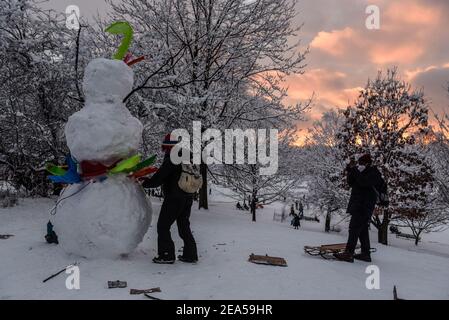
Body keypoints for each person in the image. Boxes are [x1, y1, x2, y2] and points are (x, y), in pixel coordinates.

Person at [140, 134, 198, 264]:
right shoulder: (187, 157)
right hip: (187, 197)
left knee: (163, 226)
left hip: (174, 198)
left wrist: (145, 183)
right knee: (184, 226)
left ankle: (166, 255)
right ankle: (191, 254)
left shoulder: (172, 158)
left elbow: (159, 178)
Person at [334, 154, 383, 263]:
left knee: (354, 228)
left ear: (367, 163)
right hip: (357, 204)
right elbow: (351, 183)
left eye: (361, 163)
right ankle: (366, 254)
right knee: (362, 230)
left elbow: (364, 182)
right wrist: (350, 171)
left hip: (364, 206)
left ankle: (349, 253)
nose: (359, 165)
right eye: (358, 163)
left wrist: (356, 172)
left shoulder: (374, 173)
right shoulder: (361, 172)